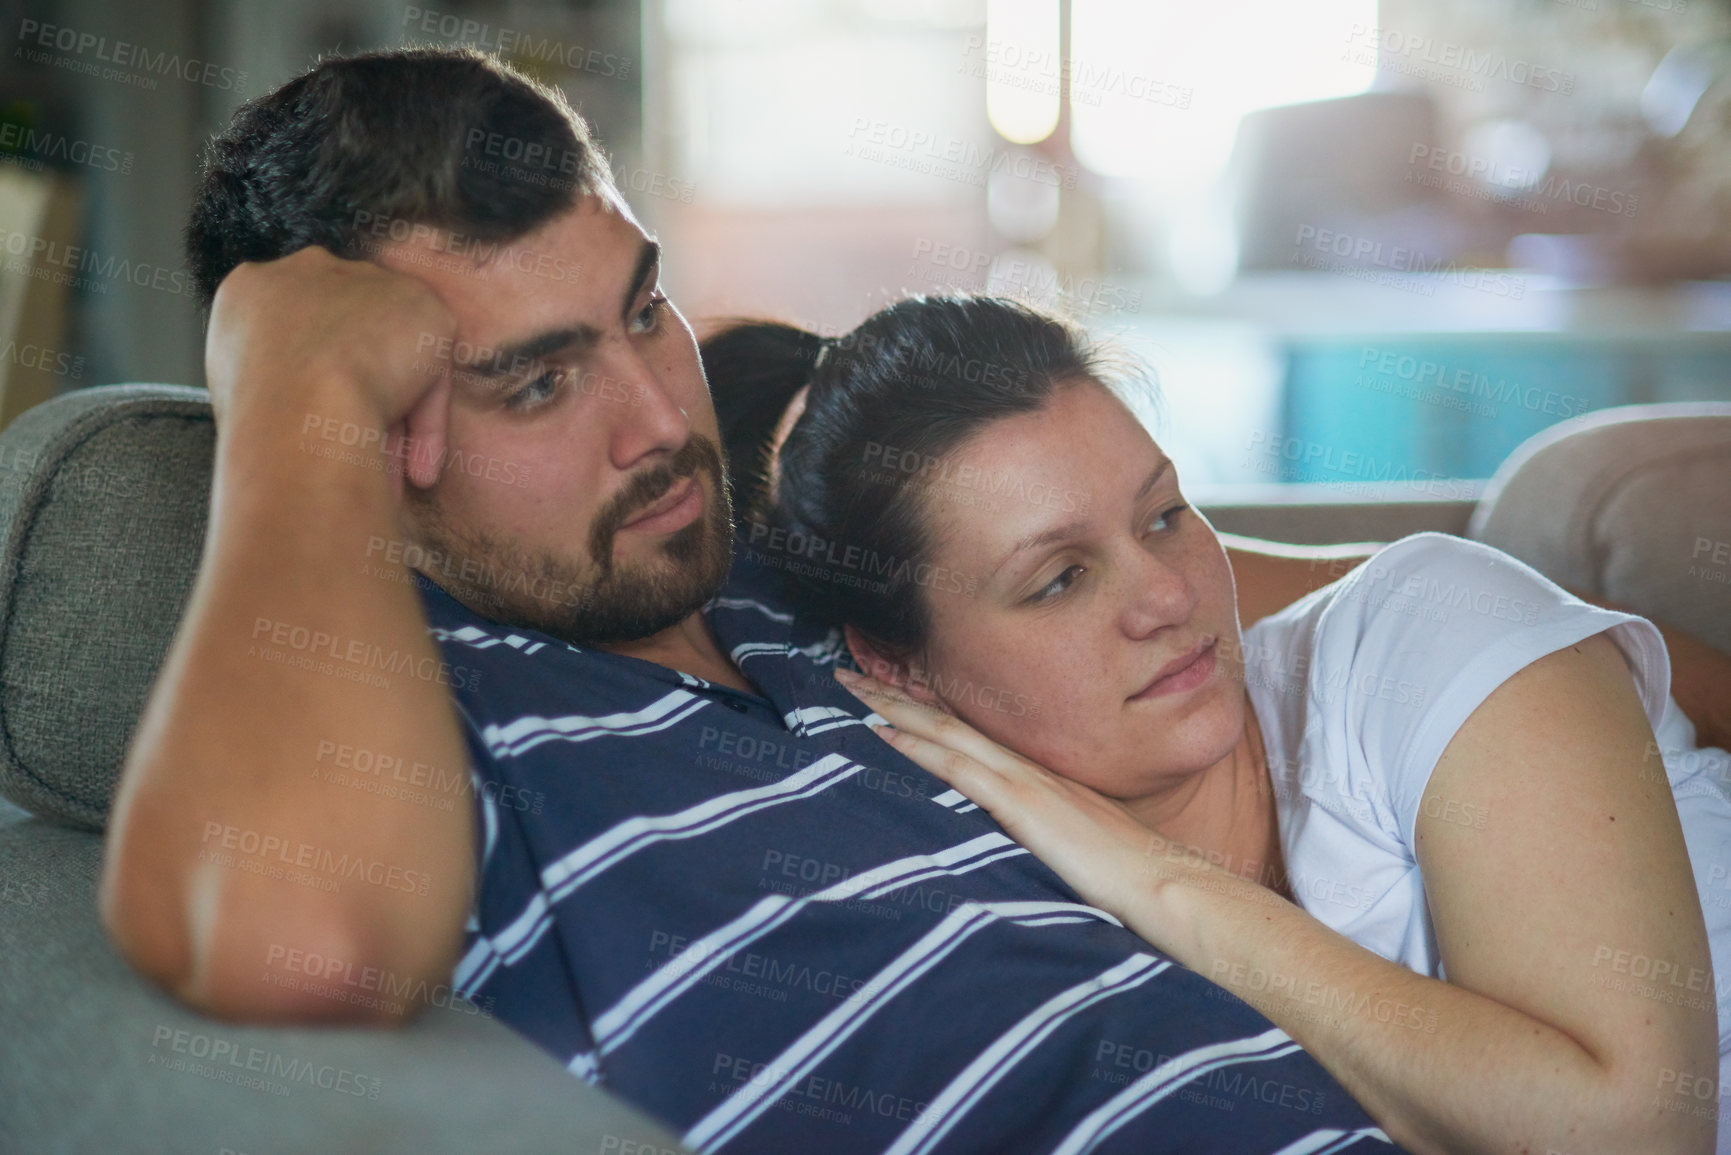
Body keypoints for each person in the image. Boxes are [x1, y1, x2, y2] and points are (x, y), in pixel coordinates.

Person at [99, 46, 1422, 1154]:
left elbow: (1317, 605)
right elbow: (292, 942)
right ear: (385, 433)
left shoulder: (791, 557)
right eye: (540, 383)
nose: (656, 422)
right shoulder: (423, 718)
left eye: (641, 308)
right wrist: (289, 391)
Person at [706, 296, 1731, 1154]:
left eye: (1163, 515)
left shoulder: (1421, 633)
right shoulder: (1006, 911)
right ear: (899, 667)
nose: (1166, 596)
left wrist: (1163, 884)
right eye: (1060, 579)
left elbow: (1633, 1133)